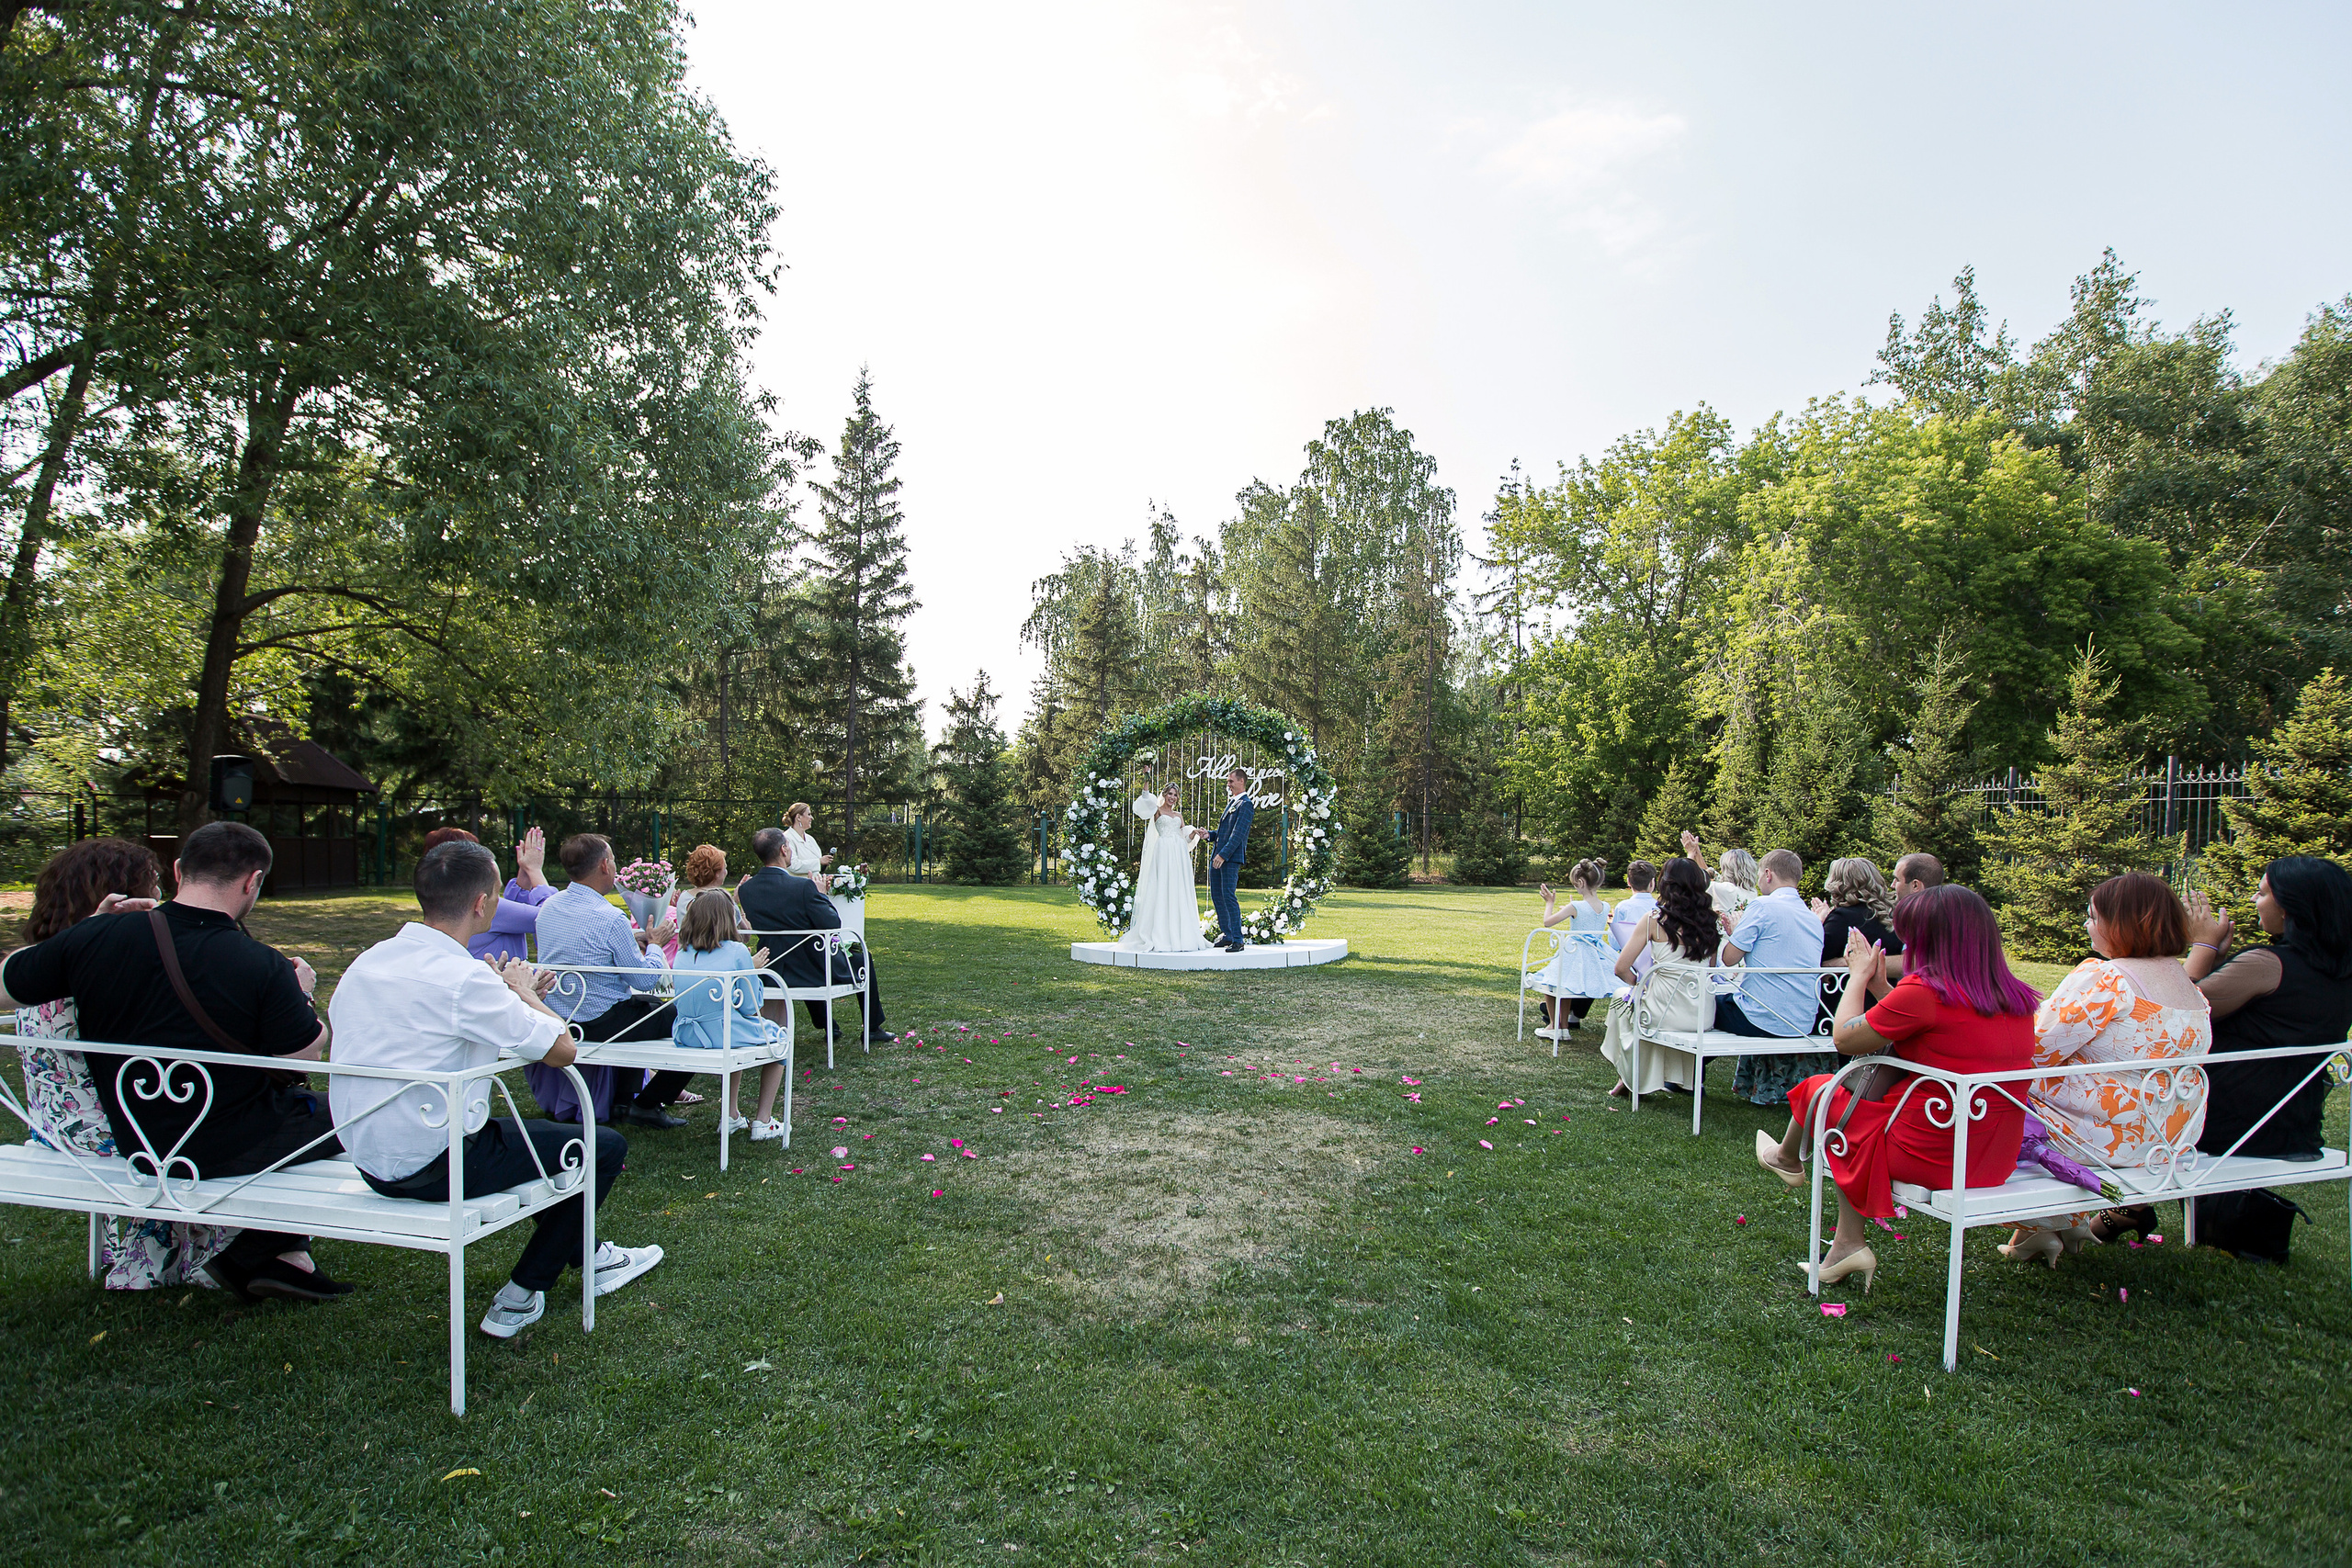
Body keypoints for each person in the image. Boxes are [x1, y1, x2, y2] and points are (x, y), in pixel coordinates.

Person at [0, 821, 351, 1303]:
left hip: (134, 1138)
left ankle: (273, 1251)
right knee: (352, 1111)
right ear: (253, 881)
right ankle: (261, 1250)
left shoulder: (95, 937)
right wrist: (302, 996)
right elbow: (299, 1059)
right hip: (219, 1145)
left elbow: (5, 986)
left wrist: (84, 933)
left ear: (180, 870)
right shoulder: (261, 963)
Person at [327, 840, 662, 1337]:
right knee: (602, 1147)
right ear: (482, 903)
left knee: (542, 1147)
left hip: (368, 1154)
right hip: (436, 1162)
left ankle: (594, 1254)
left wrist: (512, 997)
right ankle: (522, 1294)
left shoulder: (368, 961)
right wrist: (522, 992)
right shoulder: (464, 977)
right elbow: (564, 1049)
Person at [1757, 886, 2041, 1292]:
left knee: (1825, 1094)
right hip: (1989, 1155)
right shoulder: (2014, 996)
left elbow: (1844, 1039)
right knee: (1846, 1106)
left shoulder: (1926, 991)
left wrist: (1857, 977)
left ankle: (1791, 1164)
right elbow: (1931, 1029)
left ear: (1929, 940)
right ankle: (1843, 1240)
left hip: (1931, 1155)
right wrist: (1879, 988)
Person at [9, 838, 238, 1290]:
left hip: (51, 1126)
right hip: (112, 1132)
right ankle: (225, 1256)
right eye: (153, 887)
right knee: (240, 1123)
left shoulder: (31, 964)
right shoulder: (107, 967)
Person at [2000, 873, 2211, 1263]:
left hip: (2103, 1140)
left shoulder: (2107, 978)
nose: (2087, 924)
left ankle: (2045, 1225)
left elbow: (2033, 1052)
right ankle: (2043, 1232)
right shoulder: (2189, 986)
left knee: (1989, 1095)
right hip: (2168, 1139)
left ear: (2123, 923)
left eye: (2093, 916)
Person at [2186, 856, 2352, 1163]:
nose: (2254, 899)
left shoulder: (2268, 965)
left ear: (2288, 906)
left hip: (2227, 1125)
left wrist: (2203, 945)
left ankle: (2120, 1200)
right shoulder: (2338, 972)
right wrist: (2220, 964)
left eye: (2262, 893)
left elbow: (2172, 1015)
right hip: (2293, 1125)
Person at [532, 833, 689, 1128]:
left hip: (561, 1015)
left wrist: (632, 939)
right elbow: (645, 979)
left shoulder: (549, 908)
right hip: (600, 1020)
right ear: (604, 865)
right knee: (690, 1020)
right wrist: (656, 945)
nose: (615, 866)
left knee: (645, 1007)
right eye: (614, 860)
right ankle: (645, 1105)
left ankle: (622, 1102)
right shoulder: (610, 917)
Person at [738, 827, 897, 1043]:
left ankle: (828, 1025)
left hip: (772, 968)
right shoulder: (803, 886)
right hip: (812, 969)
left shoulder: (746, 890)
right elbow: (832, 924)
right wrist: (821, 894)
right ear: (784, 850)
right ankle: (872, 1027)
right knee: (862, 957)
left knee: (807, 953)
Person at [1715, 849, 1835, 1106]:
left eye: (1760, 874)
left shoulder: (1762, 906)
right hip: (1802, 1021)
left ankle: (1685, 1079)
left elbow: (1728, 959)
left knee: (1702, 1005)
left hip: (1763, 1018)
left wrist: (1735, 932)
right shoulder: (1812, 919)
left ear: (1768, 874)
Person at [669, 889, 791, 1139]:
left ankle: (731, 1115)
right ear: (727, 918)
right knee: (780, 1038)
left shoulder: (682, 953)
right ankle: (763, 1120)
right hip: (719, 1034)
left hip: (686, 1034)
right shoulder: (737, 951)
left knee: (734, 1035)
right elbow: (750, 1006)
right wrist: (753, 972)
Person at [1598, 857, 1718, 1095]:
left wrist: (1640, 985)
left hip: (1664, 1011)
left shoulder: (1655, 919)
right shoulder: (1710, 921)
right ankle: (1658, 1077)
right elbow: (1711, 968)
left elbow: (1621, 968)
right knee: (1636, 1004)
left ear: (1664, 883)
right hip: (1701, 1013)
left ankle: (1629, 1077)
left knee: (1623, 998)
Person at [422, 826, 556, 962]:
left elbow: (513, 910)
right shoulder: (484, 905)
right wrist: (534, 870)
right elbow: (553, 917)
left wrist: (524, 871)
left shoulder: (442, 902)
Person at [1118, 776, 1213, 953]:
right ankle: (1160, 932)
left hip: (1179, 854)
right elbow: (1145, 798)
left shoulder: (1179, 815)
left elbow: (1184, 838)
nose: (1172, 797)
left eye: (1175, 795)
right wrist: (1146, 777)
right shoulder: (1157, 810)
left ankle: (1181, 933)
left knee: (1178, 889)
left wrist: (1194, 833)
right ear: (1164, 794)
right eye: (1170, 794)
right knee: (1162, 886)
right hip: (1163, 851)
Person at [1810, 857, 1905, 1029]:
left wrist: (1819, 922)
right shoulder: (1894, 917)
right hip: (1885, 1001)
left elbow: (1815, 959)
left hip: (1845, 1006)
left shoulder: (1841, 918)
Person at [1533, 859, 1615, 1038]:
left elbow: (1548, 922)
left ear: (1581, 882)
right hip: (1595, 954)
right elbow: (1588, 917)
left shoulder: (1575, 906)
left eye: (1575, 884)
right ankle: (1563, 1027)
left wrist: (1549, 903)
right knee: (1566, 984)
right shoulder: (1605, 906)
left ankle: (1554, 1025)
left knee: (1551, 981)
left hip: (1575, 952)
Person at [1206, 768, 1255, 952]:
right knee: (1217, 896)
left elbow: (1238, 834)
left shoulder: (1246, 804)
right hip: (1218, 857)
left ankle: (1238, 939)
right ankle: (1227, 935)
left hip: (1230, 858)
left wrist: (1223, 855)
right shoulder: (1232, 803)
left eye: (1231, 781)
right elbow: (1224, 833)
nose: (1228, 784)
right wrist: (1209, 835)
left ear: (1241, 781)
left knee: (1228, 896)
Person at [662, 843, 730, 961]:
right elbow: (743, 935)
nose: (726, 872)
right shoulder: (722, 900)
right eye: (725, 868)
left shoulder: (683, 897)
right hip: (716, 957)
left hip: (686, 956)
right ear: (717, 873)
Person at [1683, 829, 1758, 930]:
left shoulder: (1726, 890)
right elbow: (1709, 874)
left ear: (1727, 870)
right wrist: (1697, 851)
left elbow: (1690, 878)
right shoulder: (1752, 892)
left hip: (1721, 938)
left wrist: (1691, 853)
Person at [780, 804, 829, 878]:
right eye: (809, 814)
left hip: (814, 883)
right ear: (798, 817)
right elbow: (793, 865)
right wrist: (819, 861)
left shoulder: (810, 839)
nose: (812, 818)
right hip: (797, 883)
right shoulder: (787, 838)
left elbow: (817, 868)